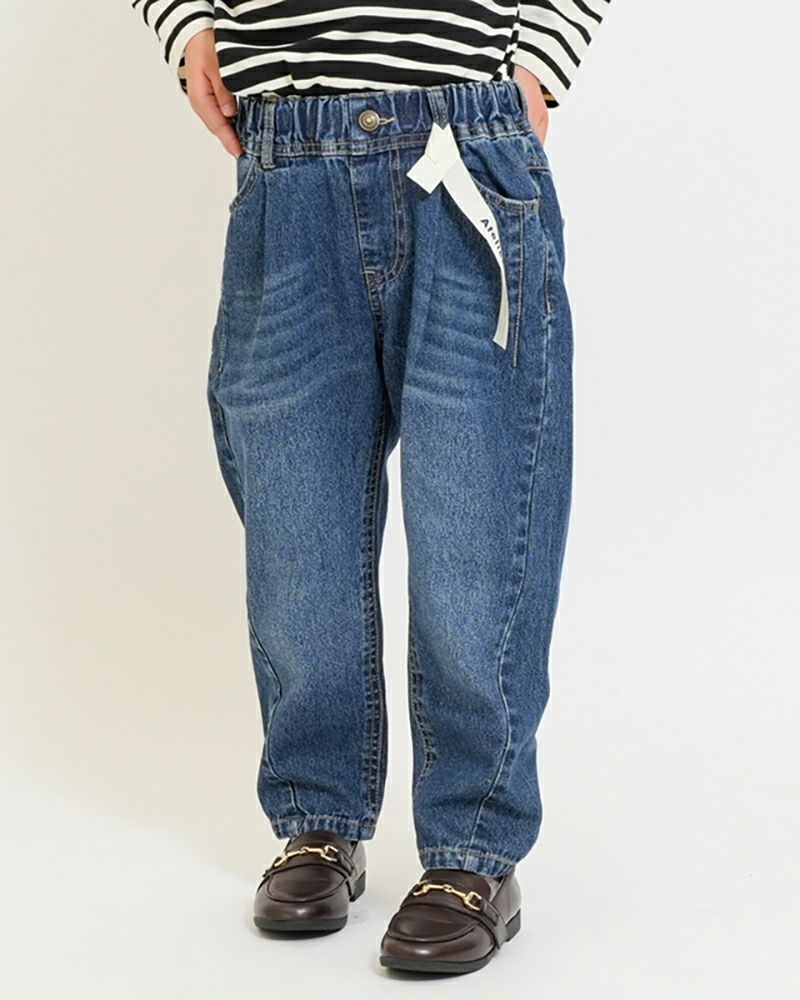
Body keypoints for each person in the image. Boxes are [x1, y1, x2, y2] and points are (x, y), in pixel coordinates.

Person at [132, 0, 609, 975]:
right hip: (287, 162)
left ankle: (473, 850)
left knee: (478, 522)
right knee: (295, 523)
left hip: (465, 144)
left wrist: (540, 58)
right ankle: (316, 819)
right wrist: (186, 27)